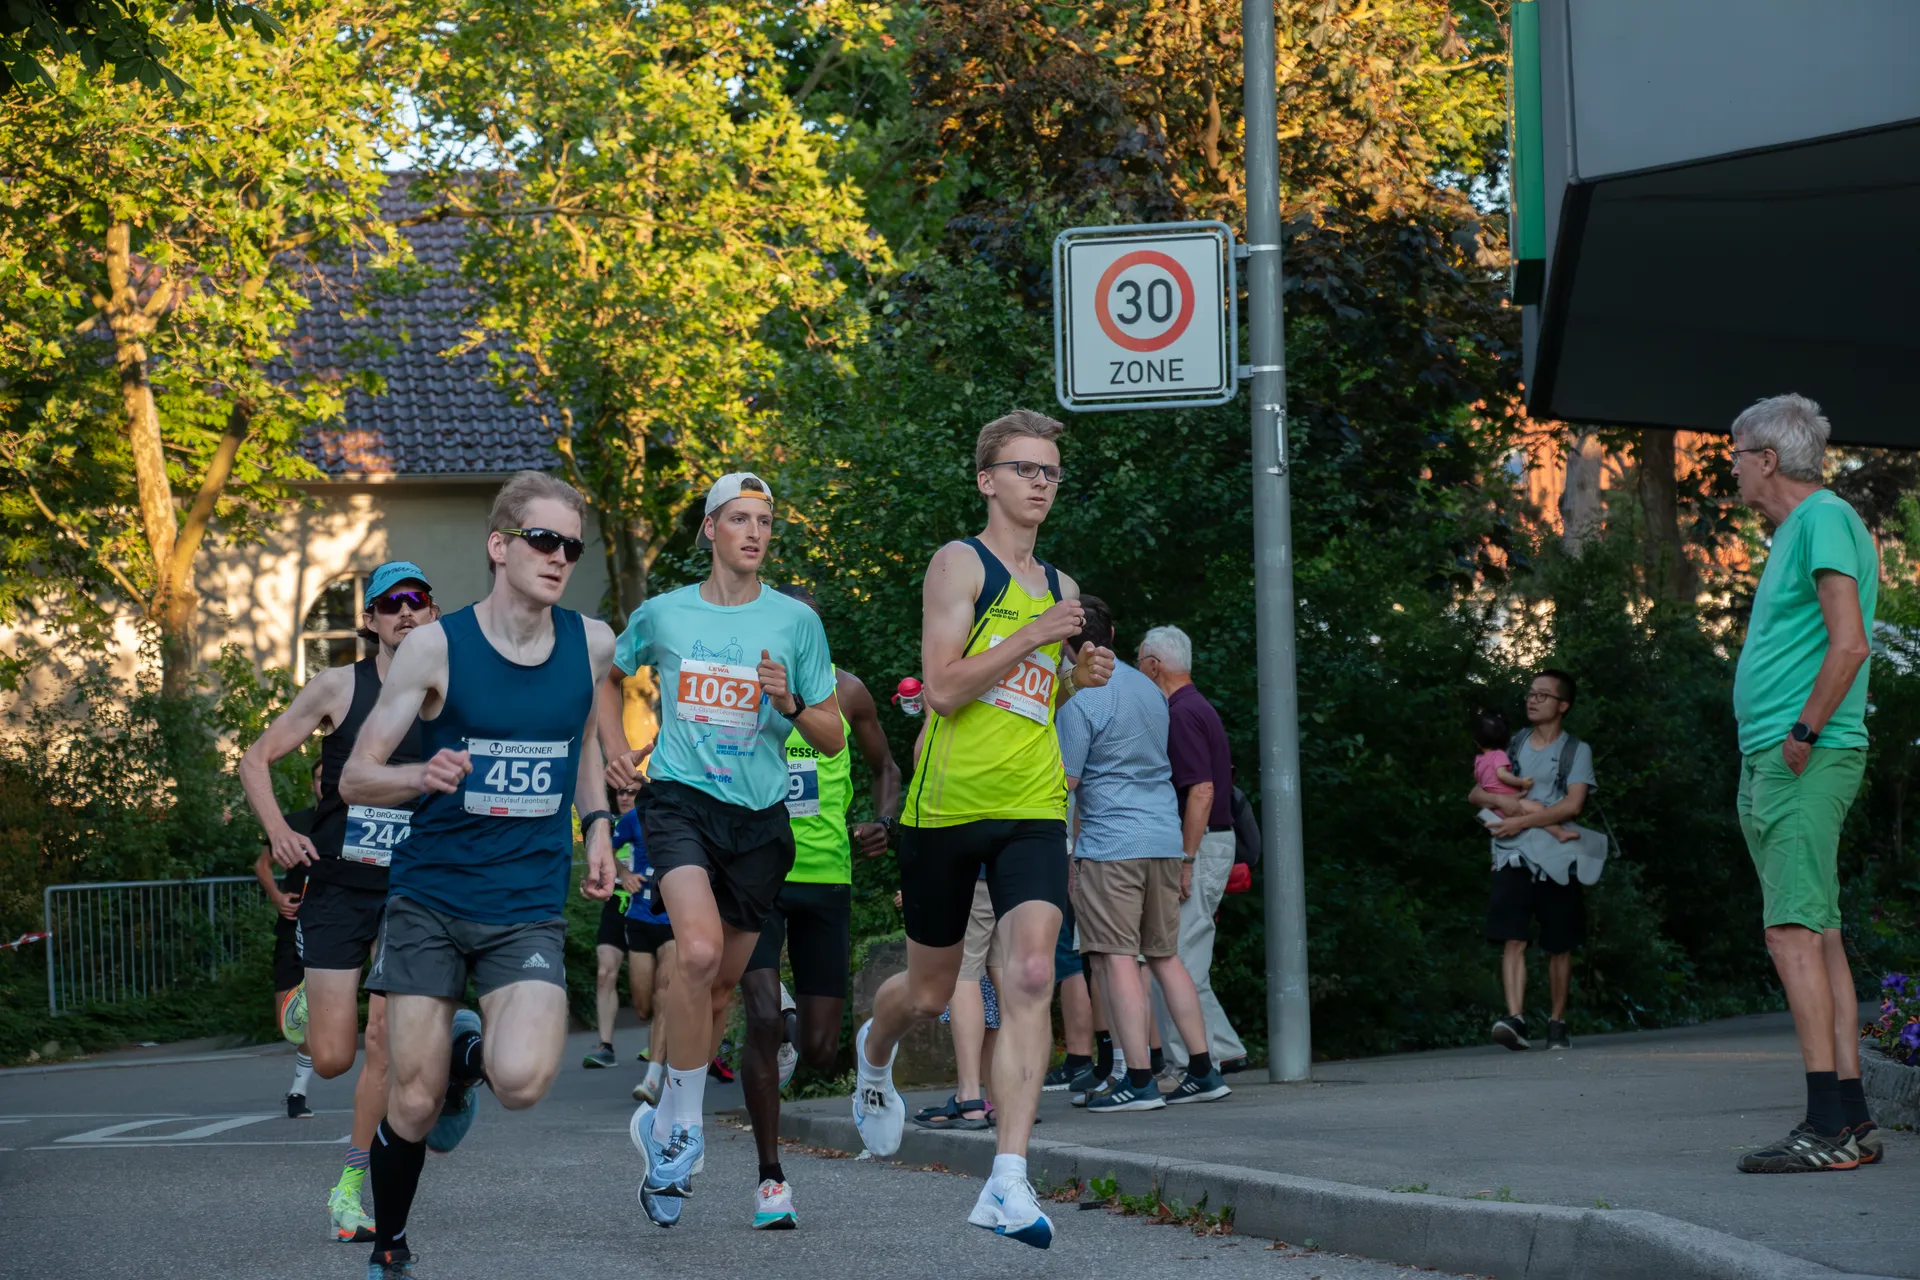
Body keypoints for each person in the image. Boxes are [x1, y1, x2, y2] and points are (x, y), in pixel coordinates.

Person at [341, 472, 619, 1278]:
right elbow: (358, 776)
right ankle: (389, 1244)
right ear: (499, 546)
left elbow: (583, 745)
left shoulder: (591, 643)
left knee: (524, 1080)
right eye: (542, 539)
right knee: (414, 1100)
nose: (559, 556)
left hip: (525, 905)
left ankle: (473, 1055)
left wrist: (597, 824)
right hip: (429, 898)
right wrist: (420, 776)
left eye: (571, 544)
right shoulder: (435, 647)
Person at [850, 408, 1114, 1250]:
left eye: (1051, 472)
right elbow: (944, 688)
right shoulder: (959, 564)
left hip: (1034, 806)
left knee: (1032, 969)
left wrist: (1081, 678)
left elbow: (1037, 697)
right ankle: (875, 1047)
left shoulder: (1064, 587)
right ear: (986, 479)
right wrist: (1036, 635)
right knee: (929, 995)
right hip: (945, 809)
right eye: (1025, 469)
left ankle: (1008, 1177)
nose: (1041, 483)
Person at [607, 472, 843, 1230]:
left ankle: (664, 1124)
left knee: (716, 991)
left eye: (765, 521)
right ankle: (681, 1121)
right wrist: (616, 755)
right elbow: (606, 678)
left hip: (760, 823)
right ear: (710, 529)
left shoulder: (795, 625)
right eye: (739, 519)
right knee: (699, 953)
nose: (754, 532)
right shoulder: (662, 614)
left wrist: (791, 704)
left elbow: (833, 735)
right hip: (677, 802)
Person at [236, 560, 438, 1244]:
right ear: (372, 621)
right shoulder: (338, 686)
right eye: (391, 604)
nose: (405, 612)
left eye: (418, 601)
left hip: (412, 891)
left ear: (432, 615)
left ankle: (353, 1186)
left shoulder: (449, 693)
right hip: (337, 887)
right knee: (331, 1057)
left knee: (386, 1039)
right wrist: (279, 831)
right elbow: (254, 759)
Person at [1725, 394, 1880, 1173]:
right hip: (1782, 758)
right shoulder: (1796, 531)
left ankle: (1823, 1127)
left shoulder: (1822, 519)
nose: (1731, 466)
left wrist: (1802, 733)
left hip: (1803, 758)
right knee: (1814, 931)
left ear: (1767, 459)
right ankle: (1848, 1118)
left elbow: (1849, 644)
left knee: (1790, 933)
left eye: (1735, 453)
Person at [736, 583, 900, 1228]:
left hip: (827, 879)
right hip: (757, 876)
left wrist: (883, 822)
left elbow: (886, 766)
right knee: (761, 1017)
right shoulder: (741, 691)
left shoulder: (847, 691)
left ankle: (852, 1040)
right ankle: (770, 1178)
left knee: (821, 1053)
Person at [1059, 598, 1229, 1113]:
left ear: (1068, 644)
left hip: (1111, 845)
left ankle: (1138, 1080)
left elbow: (1066, 782)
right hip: (1162, 837)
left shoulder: (1082, 696)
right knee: (1164, 956)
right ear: (1112, 632)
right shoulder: (1151, 690)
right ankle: (1203, 1070)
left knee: (1116, 959)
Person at [1137, 625, 1248, 1075]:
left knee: (1176, 959)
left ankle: (1194, 1065)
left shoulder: (1180, 713)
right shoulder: (1195, 707)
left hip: (1200, 845)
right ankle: (1221, 1050)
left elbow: (1201, 791)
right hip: (1208, 842)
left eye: (1139, 661)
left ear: (1154, 665)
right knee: (1180, 956)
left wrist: (1185, 859)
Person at [1468, 670, 1597, 1052]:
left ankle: (1557, 1022)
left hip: (1558, 859)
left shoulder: (1577, 750)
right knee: (1513, 938)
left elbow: (1573, 804)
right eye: (1530, 693)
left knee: (1560, 943)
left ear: (1563, 705)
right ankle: (1516, 1018)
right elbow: (1477, 792)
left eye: (1543, 695)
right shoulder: (1512, 745)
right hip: (1512, 856)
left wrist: (1520, 817)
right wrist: (1505, 803)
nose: (1533, 700)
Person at [253, 760, 324, 1121]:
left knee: (323, 1020)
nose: (325, 783)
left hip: (333, 929)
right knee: (289, 1020)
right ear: (312, 784)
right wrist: (278, 898)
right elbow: (262, 865)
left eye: (332, 777)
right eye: (319, 778)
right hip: (292, 927)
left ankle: (298, 1090)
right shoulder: (295, 823)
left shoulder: (354, 824)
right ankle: (306, 1070)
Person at [583, 786, 668, 1071]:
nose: (624, 796)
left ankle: (658, 1041)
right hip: (619, 905)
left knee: (660, 983)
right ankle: (605, 1045)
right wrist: (618, 875)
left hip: (648, 909)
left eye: (631, 791)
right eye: (619, 791)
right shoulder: (615, 823)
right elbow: (602, 853)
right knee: (605, 970)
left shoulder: (658, 817)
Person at [1472, 711, 1579, 841]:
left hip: (1494, 809)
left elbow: (1479, 783)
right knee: (1539, 809)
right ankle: (1559, 833)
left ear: (1477, 743)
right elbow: (1502, 775)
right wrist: (1521, 782)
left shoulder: (1478, 761)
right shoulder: (1498, 755)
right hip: (1513, 802)